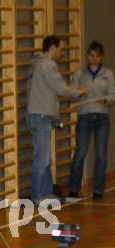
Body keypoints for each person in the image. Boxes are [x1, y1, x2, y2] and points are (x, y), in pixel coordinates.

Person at [27, 35, 87, 205]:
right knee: (42, 158)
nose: (62, 53)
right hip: (40, 116)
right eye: (61, 49)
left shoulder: (37, 63)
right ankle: (39, 196)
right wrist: (79, 91)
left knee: (45, 158)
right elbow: (60, 87)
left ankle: (46, 194)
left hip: (39, 115)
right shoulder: (47, 64)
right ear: (52, 48)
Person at [69, 41, 115, 200]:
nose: (93, 59)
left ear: (101, 57)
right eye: (91, 55)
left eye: (96, 56)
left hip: (102, 118)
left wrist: (106, 100)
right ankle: (74, 188)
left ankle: (97, 190)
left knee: (101, 155)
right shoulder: (79, 74)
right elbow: (71, 93)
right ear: (87, 55)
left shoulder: (108, 74)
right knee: (80, 152)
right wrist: (78, 93)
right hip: (84, 117)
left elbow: (112, 95)